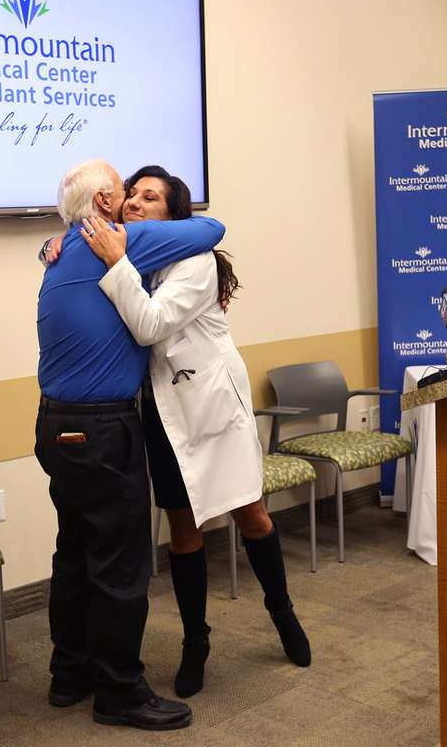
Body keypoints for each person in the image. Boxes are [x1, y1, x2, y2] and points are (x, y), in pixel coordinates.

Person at [78, 165, 311, 699]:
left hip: (212, 404)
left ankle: (283, 615)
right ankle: (195, 643)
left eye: (150, 197)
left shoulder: (195, 260)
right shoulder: (132, 256)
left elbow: (152, 325)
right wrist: (54, 248)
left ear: (173, 214)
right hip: (163, 411)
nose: (134, 202)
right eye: (131, 195)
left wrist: (116, 263)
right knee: (184, 530)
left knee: (250, 513)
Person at [35, 159, 225, 731]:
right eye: (122, 195)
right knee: (121, 567)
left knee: (75, 555)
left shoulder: (60, 255)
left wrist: (55, 236)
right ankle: (119, 691)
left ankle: (69, 675)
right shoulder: (119, 242)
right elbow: (210, 231)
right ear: (101, 206)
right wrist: (120, 243)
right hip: (102, 429)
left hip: (55, 425)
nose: (131, 205)